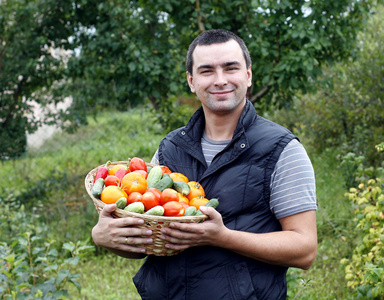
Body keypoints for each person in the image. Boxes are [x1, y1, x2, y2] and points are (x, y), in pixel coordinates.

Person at [92, 29, 317, 300]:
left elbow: (304, 249)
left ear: (248, 75)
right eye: (207, 71)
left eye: (230, 68)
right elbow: (148, 241)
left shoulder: (281, 149)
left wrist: (221, 237)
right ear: (191, 81)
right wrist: (105, 237)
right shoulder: (170, 148)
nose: (220, 80)